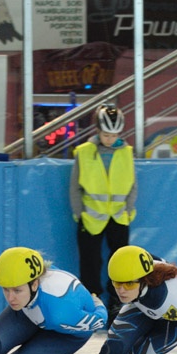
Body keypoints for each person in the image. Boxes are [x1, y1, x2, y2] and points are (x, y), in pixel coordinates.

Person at [70, 104, 136, 321]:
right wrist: (79, 213)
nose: (110, 138)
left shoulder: (126, 152)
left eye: (114, 134)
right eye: (106, 134)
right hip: (91, 216)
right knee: (90, 262)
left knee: (119, 262)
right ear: (98, 131)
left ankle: (117, 303)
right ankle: (92, 301)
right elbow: (74, 186)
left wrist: (128, 210)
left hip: (118, 216)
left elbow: (132, 184)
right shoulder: (84, 152)